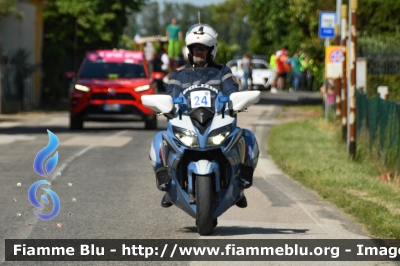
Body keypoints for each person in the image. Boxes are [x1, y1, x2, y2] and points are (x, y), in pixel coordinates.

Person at [153, 23, 259, 209]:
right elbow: (170, 97)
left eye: (202, 49)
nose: (198, 52)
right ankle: (169, 186)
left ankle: (239, 184)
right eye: (195, 48)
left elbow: (232, 92)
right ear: (189, 50)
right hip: (187, 122)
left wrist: (237, 101)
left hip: (216, 121)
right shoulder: (178, 74)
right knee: (159, 140)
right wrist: (166, 105)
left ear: (211, 50)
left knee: (247, 137)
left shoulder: (223, 72)